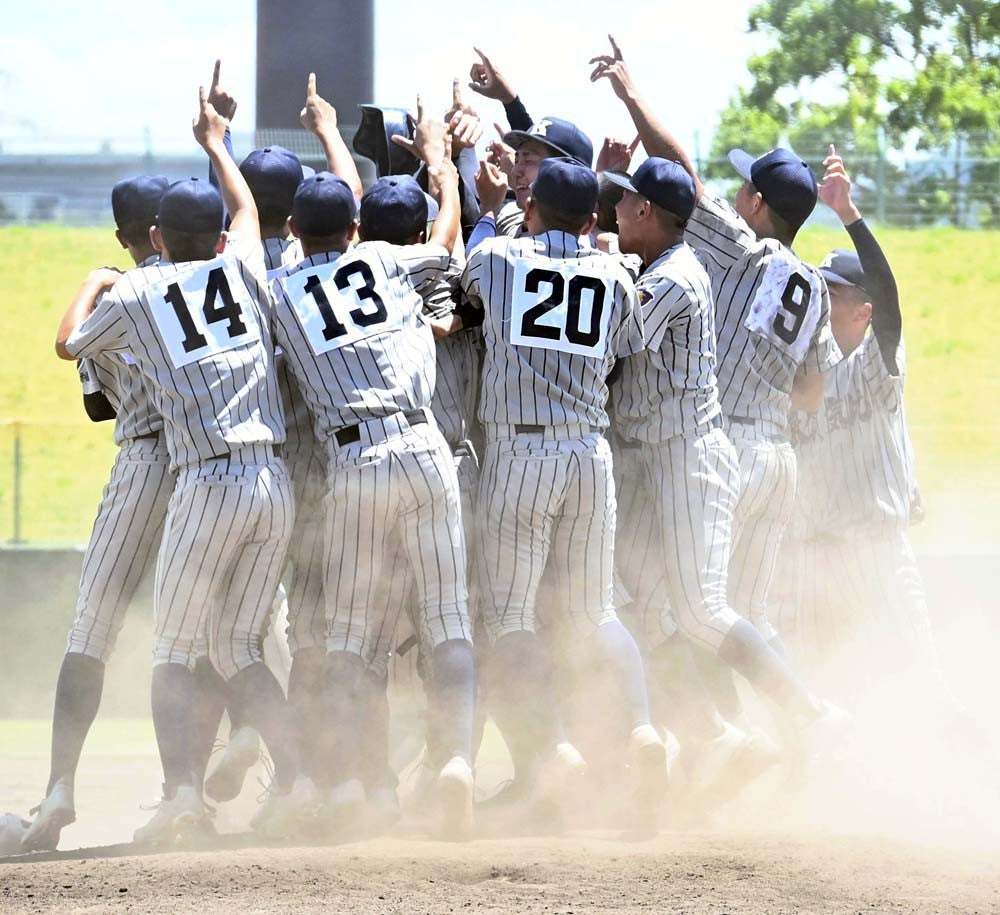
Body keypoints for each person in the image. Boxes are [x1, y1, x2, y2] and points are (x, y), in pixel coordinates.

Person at [55, 86, 309, 844]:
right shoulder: (247, 268)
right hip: (273, 479)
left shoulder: (136, 290)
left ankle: (181, 797)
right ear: (220, 237)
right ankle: (297, 784)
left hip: (206, 481)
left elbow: (70, 346)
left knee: (173, 649)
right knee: (239, 647)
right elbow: (247, 212)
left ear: (157, 237)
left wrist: (97, 279)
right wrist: (217, 142)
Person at [591, 35, 848, 744]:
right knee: (748, 614)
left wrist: (631, 94)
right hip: (778, 457)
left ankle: (769, 726)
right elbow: (813, 391)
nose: (735, 193)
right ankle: (784, 732)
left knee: (688, 609)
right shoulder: (813, 286)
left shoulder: (742, 248)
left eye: (746, 187)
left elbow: (679, 174)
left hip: (721, 446)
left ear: (758, 203)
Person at [268, 98, 477, 840]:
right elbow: (445, 243)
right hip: (424, 449)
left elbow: (323, 229)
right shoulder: (385, 259)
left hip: (352, 460)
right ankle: (455, 762)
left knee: (354, 640)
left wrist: (327, 137)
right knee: (449, 619)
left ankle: (374, 786)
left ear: (295, 232)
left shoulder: (279, 289)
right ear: (355, 228)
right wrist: (444, 172)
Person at [458, 156, 668, 832]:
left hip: (522, 452)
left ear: (535, 209)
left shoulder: (497, 258)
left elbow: (469, 282)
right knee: (596, 611)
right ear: (590, 220)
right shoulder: (614, 274)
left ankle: (552, 749)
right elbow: (630, 343)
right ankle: (642, 730)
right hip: (589, 450)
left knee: (512, 617)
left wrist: (494, 207)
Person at [22, 175, 173, 852]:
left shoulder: (114, 293)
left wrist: (97, 285)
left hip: (142, 460)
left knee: (91, 630)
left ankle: (59, 788)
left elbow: (95, 405)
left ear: (124, 237)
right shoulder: (207, 279)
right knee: (224, 633)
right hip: (218, 459)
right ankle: (209, 786)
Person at [779, 146, 943, 695]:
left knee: (920, 685)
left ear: (862, 310)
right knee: (818, 691)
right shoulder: (805, 362)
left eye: (833, 291)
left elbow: (891, 299)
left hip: (875, 552)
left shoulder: (880, 361)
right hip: (811, 560)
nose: (820, 297)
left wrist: (849, 216)